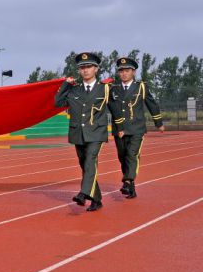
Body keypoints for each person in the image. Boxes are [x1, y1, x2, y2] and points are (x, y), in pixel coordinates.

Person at [54, 52, 118, 212]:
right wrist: (66, 85)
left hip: (96, 133)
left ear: (96, 69)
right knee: (85, 166)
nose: (85, 70)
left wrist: (121, 128)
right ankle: (97, 199)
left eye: (89, 67)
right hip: (78, 134)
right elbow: (58, 102)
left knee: (90, 161)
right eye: (82, 67)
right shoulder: (74, 90)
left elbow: (116, 109)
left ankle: (83, 194)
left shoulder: (105, 89)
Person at [110, 56, 164, 199]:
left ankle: (127, 181)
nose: (124, 73)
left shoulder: (141, 86)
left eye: (127, 70)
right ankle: (131, 188)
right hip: (118, 130)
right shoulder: (112, 89)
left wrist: (158, 122)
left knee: (132, 154)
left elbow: (151, 104)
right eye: (121, 71)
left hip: (136, 129)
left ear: (133, 72)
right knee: (122, 157)